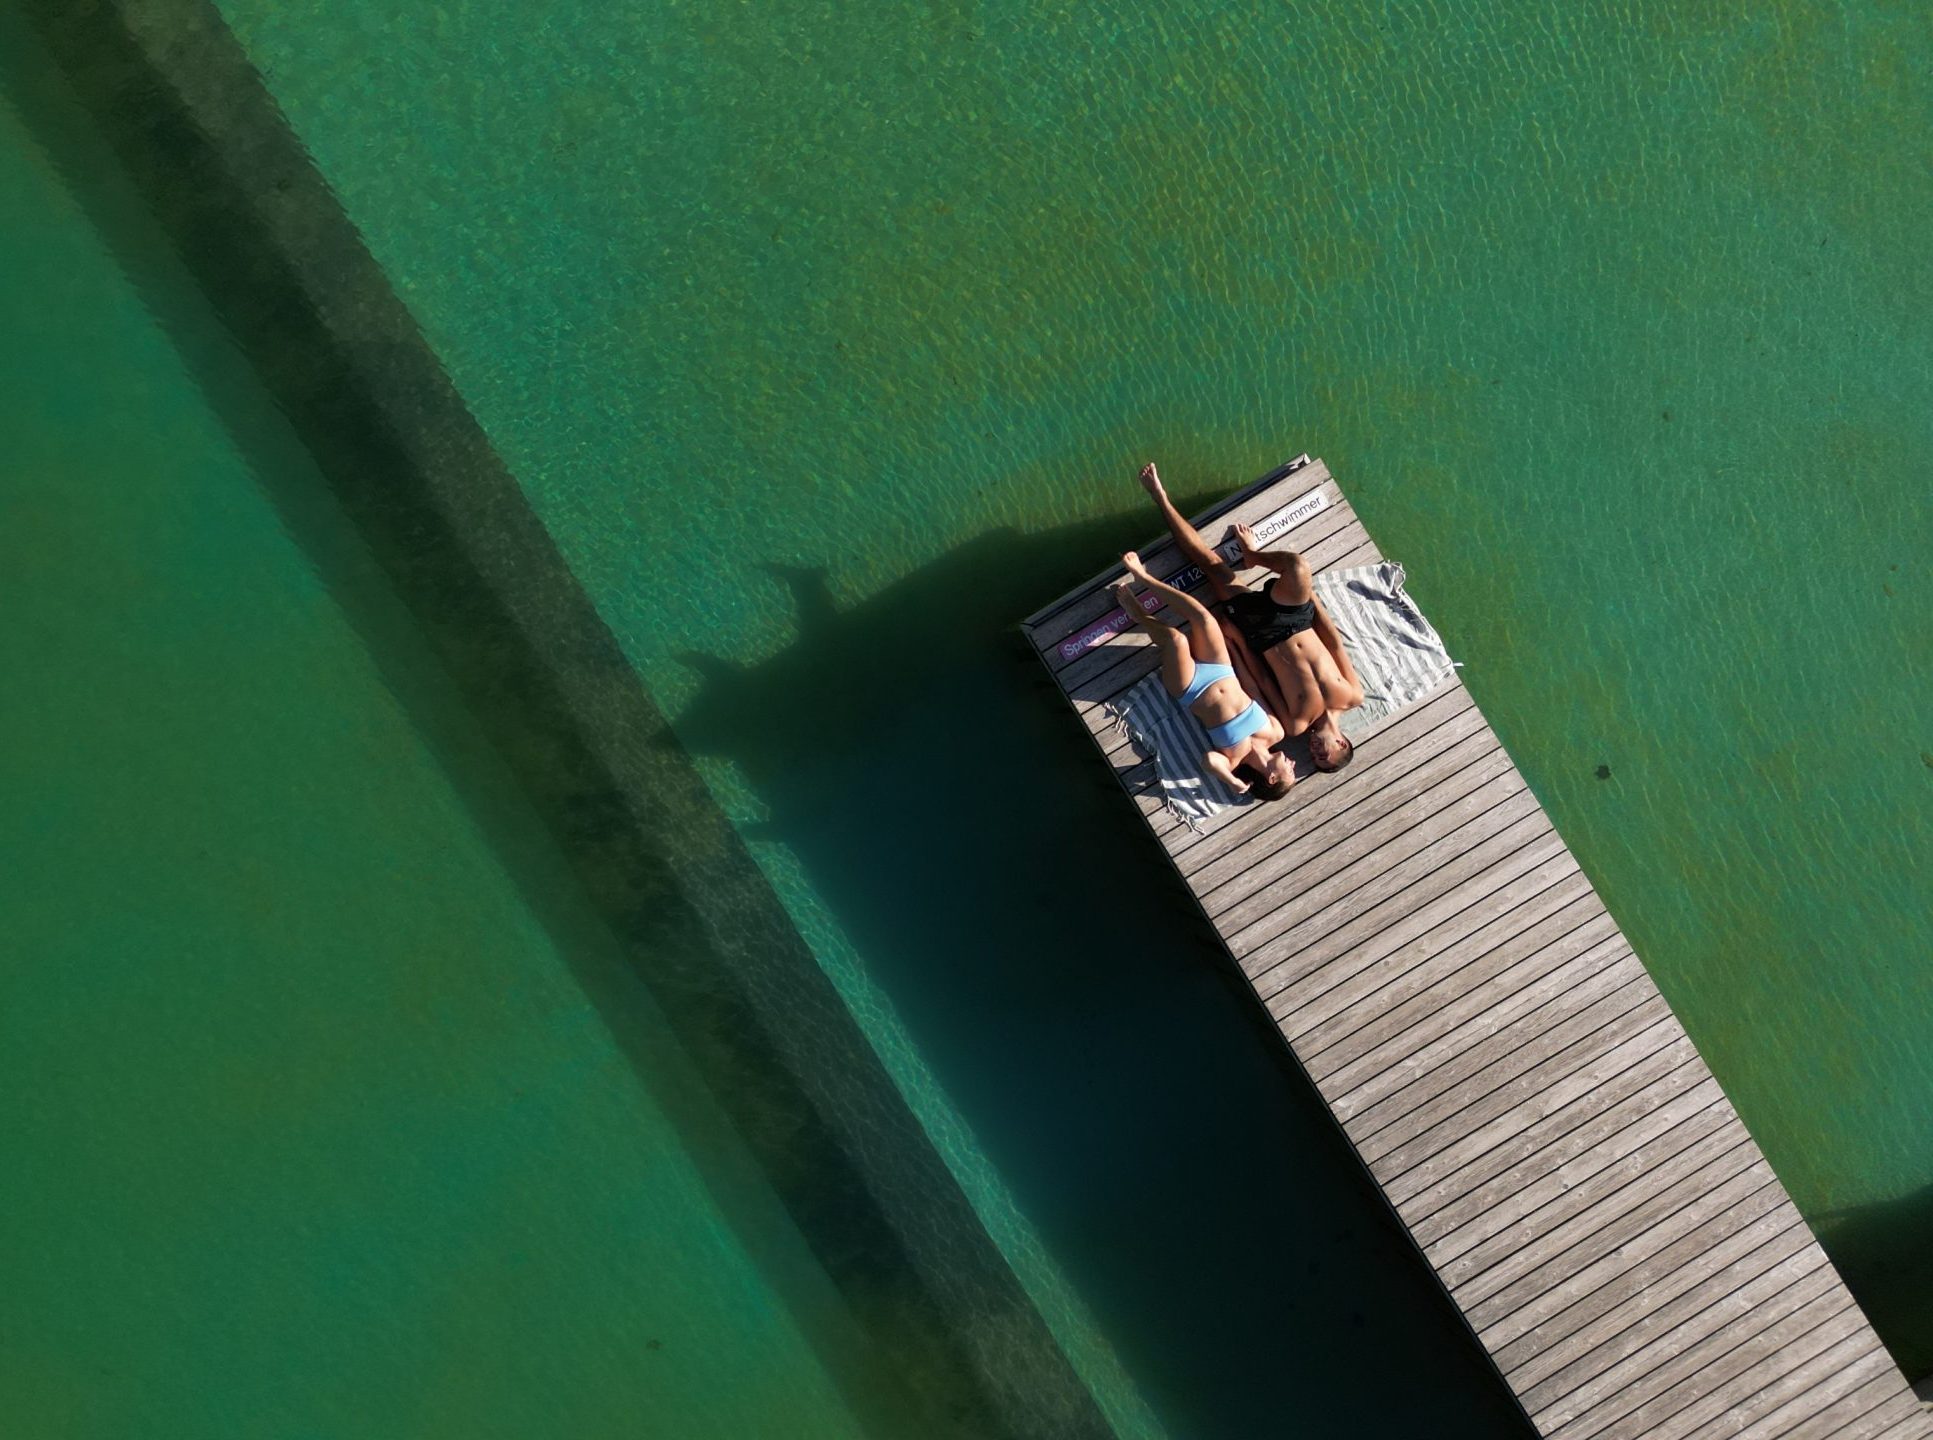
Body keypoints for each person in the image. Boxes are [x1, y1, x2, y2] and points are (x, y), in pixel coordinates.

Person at [1137, 463, 1361, 773]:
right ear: (1341, 744)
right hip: (1296, 619)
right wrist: (1313, 598)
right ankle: (1253, 556)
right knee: (1297, 566)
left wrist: (1238, 643)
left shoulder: (1294, 724)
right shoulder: (1352, 696)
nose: (1314, 752)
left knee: (1210, 565)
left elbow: (1261, 681)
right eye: (1324, 755)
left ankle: (1159, 496)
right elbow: (1334, 644)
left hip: (1260, 632)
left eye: (1314, 758)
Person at [1111, 551, 1294, 800]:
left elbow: (1209, 761)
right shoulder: (1276, 732)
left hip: (1191, 687)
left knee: (1175, 639)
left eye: (1290, 772)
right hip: (1222, 669)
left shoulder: (1231, 761)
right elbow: (1253, 688)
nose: (1293, 764)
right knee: (1204, 619)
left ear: (1272, 778)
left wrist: (1232, 781)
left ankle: (1140, 615)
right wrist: (1234, 650)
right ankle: (1144, 577)